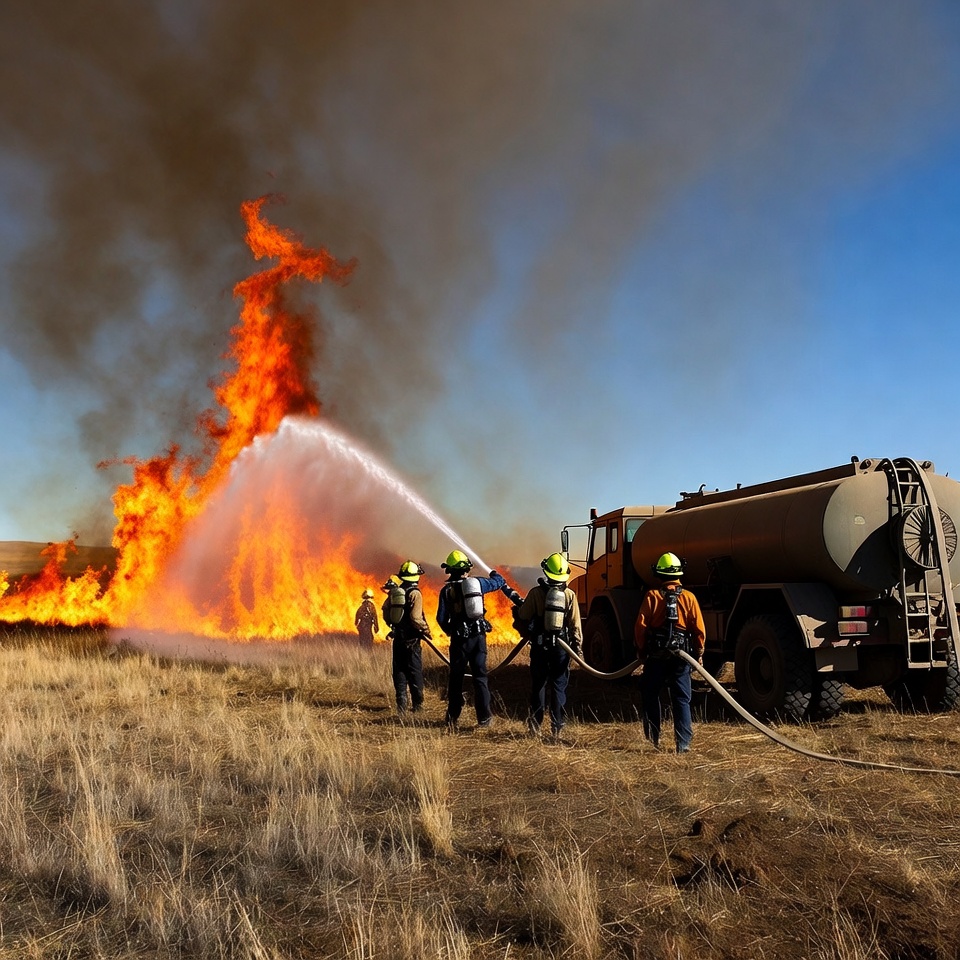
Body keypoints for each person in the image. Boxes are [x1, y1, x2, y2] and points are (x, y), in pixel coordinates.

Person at [634, 552, 706, 753]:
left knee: (650, 694)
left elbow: (640, 627)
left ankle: (652, 740)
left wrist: (641, 650)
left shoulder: (652, 596)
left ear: (658, 574)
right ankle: (683, 745)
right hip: (681, 657)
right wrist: (699, 652)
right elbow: (699, 629)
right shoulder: (689, 598)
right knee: (682, 699)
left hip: (656, 657)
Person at [437, 550, 516, 730]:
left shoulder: (446, 591)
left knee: (456, 678)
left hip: (459, 640)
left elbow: (441, 618)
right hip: (478, 638)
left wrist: (451, 631)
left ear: (450, 570)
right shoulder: (478, 584)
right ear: (466, 569)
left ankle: (452, 718)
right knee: (480, 678)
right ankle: (484, 719)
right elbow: (499, 583)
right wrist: (496, 575)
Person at [515, 552, 583, 739]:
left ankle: (535, 725)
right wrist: (578, 650)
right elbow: (575, 625)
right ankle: (558, 727)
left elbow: (524, 616)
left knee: (539, 685)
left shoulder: (536, 593)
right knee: (559, 686)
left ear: (546, 572)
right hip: (561, 648)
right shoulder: (569, 594)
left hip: (540, 647)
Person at [381, 561, 431, 715]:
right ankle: (418, 706)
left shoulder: (396, 591)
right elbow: (416, 618)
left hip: (398, 638)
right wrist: (426, 629)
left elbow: (385, 611)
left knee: (399, 671)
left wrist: (394, 627)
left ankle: (401, 706)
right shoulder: (415, 593)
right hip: (412, 640)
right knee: (414, 671)